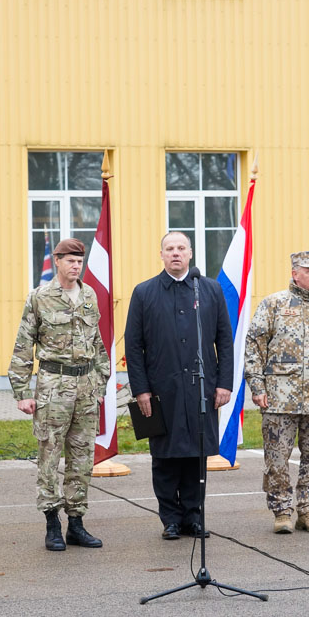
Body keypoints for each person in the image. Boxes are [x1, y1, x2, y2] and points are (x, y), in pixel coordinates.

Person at [125, 231, 233, 540]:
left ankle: (193, 517)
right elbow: (134, 347)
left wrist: (224, 383)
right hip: (160, 391)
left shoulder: (209, 290)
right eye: (170, 248)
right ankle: (170, 519)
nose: (175, 253)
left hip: (202, 389)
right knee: (165, 457)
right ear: (161, 255)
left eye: (181, 248)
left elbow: (224, 339)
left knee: (196, 455)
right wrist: (141, 390)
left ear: (190, 253)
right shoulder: (144, 292)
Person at [8, 238, 109, 552]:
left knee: (82, 458)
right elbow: (24, 346)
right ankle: (52, 523)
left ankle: (76, 523)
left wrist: (102, 381)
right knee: (49, 457)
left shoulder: (89, 295)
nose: (76, 266)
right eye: (70, 260)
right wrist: (22, 392)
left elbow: (98, 344)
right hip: (53, 387)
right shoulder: (40, 297)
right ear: (57, 262)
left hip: (86, 387)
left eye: (79, 261)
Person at [245, 251, 309, 534]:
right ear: (295, 274)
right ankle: (281, 512)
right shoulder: (274, 304)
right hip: (280, 398)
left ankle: (308, 511)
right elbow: (254, 346)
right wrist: (257, 386)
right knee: (277, 460)